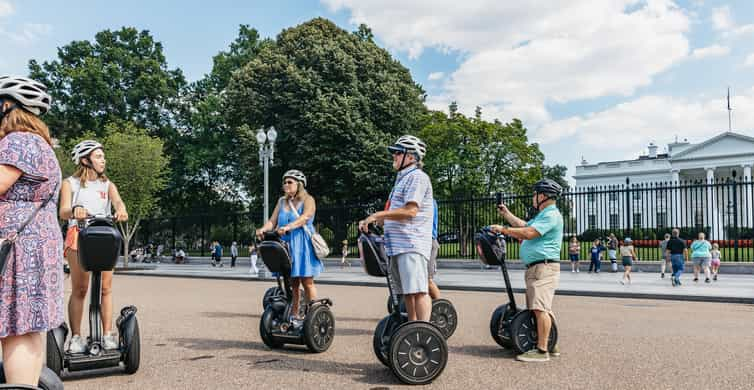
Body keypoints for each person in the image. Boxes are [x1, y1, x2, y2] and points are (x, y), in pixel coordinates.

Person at [0, 75, 63, 385]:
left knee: (17, 328)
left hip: (18, 251)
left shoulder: (18, 141)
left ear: (7, 106)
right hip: (33, 244)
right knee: (26, 326)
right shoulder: (38, 143)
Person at [60, 139, 129, 354]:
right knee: (80, 289)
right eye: (98, 156)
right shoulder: (69, 183)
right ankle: (77, 337)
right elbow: (63, 211)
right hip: (79, 235)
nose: (103, 160)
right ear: (85, 160)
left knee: (106, 289)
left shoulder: (107, 185)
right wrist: (76, 209)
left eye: (103, 156)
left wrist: (121, 210)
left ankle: (107, 334)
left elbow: (118, 203)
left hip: (103, 236)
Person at [359, 135, 433, 323]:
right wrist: (378, 223)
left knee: (418, 290)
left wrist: (377, 215)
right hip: (397, 245)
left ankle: (423, 329)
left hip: (411, 244)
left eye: (398, 153)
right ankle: (411, 326)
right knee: (407, 293)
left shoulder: (417, 177)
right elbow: (394, 212)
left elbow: (411, 210)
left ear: (411, 157)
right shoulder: (401, 180)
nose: (394, 156)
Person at [490, 178, 563, 362]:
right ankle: (551, 344)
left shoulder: (551, 215)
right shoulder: (542, 215)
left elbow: (530, 233)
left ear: (543, 196)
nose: (533, 197)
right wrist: (506, 214)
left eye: (535, 194)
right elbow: (524, 226)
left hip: (544, 267)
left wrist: (504, 230)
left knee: (540, 308)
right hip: (537, 267)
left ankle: (542, 351)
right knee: (539, 308)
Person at [256, 169, 322, 325]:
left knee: (307, 281)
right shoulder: (281, 201)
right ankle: (294, 315)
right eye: (285, 182)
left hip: (302, 243)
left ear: (299, 184)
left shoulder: (308, 199)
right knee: (292, 283)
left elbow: (305, 217)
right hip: (286, 244)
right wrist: (263, 229)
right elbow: (272, 220)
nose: (286, 184)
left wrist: (288, 227)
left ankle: (313, 315)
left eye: (290, 182)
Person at [428, 199, 441, 299]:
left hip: (429, 241)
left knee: (427, 279)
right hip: (420, 242)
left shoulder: (429, 201)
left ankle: (439, 306)